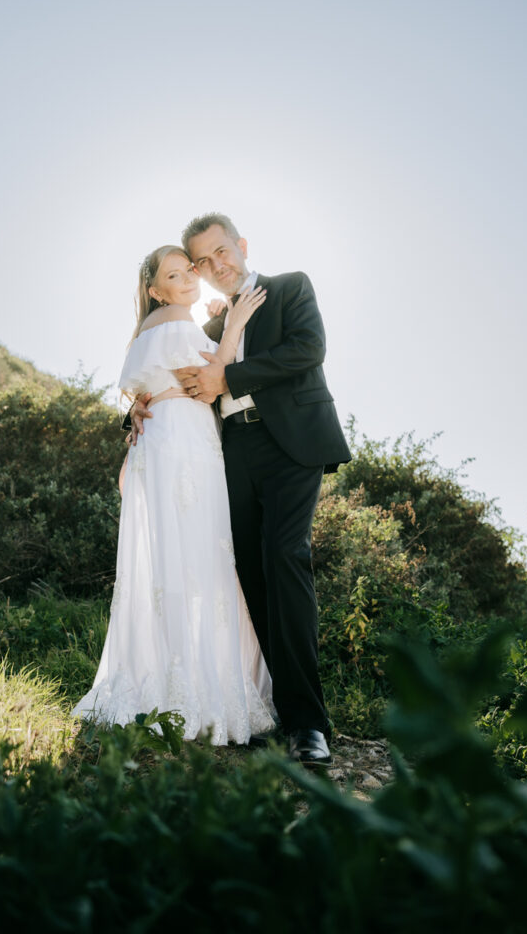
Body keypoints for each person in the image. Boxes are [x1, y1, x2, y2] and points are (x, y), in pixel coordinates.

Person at [131, 214, 351, 767]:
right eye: (203, 261)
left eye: (222, 251)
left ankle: (308, 724)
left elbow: (308, 350)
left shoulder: (290, 287)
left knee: (284, 557)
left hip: (292, 445)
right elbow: (169, 374)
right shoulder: (207, 328)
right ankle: (265, 708)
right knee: (248, 575)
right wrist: (136, 409)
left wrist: (230, 377)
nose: (216, 265)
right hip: (231, 455)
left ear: (242, 246)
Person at [71, 244, 277, 745]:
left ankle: (177, 677)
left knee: (182, 559)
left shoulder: (167, 326)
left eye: (189, 270)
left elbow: (163, 382)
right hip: (181, 444)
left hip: (179, 438)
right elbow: (210, 378)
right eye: (173, 274)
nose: (187, 278)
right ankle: (191, 686)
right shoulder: (171, 320)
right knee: (197, 557)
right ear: (155, 290)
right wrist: (232, 322)